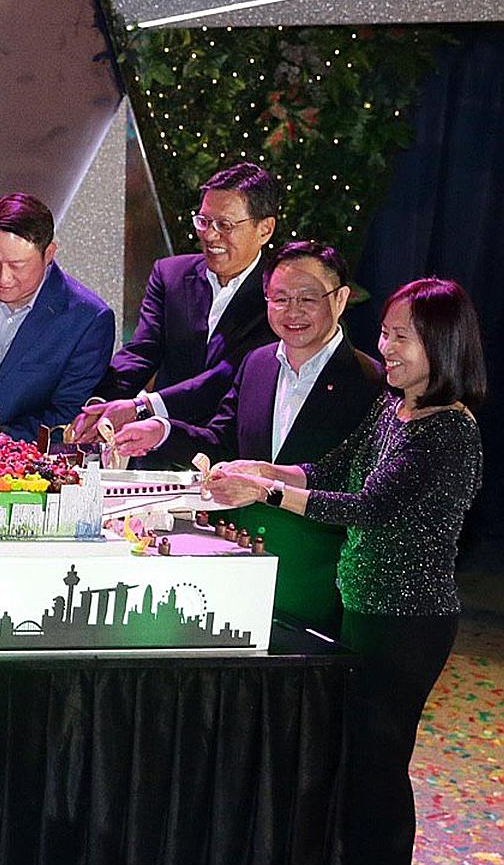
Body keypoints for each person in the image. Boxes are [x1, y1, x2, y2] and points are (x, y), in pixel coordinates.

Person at [204, 277, 485, 865]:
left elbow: (367, 506)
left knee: (379, 770)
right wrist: (264, 468)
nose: (385, 348)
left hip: (408, 623)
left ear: (441, 345)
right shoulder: (393, 408)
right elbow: (334, 469)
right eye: (384, 333)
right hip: (361, 608)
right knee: (355, 766)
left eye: (401, 337)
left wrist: (267, 492)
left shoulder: (449, 431)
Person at [113, 241, 384, 634]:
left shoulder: (371, 382)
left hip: (318, 582)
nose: (292, 311)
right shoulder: (257, 363)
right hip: (239, 569)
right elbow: (221, 443)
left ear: (340, 299)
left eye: (308, 299)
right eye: (280, 298)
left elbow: (363, 492)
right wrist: (163, 432)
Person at [71, 161, 279, 440]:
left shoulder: (279, 295)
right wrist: (100, 404)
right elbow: (141, 352)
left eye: (224, 225)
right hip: (154, 448)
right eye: (203, 221)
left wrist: (142, 407)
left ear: (265, 229)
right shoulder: (171, 275)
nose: (209, 235)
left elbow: (225, 376)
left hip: (230, 450)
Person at [0, 193, 114, 441]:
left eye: (17, 265)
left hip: (24, 455)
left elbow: (67, 413)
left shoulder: (87, 320)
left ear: (48, 254)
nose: (3, 277)